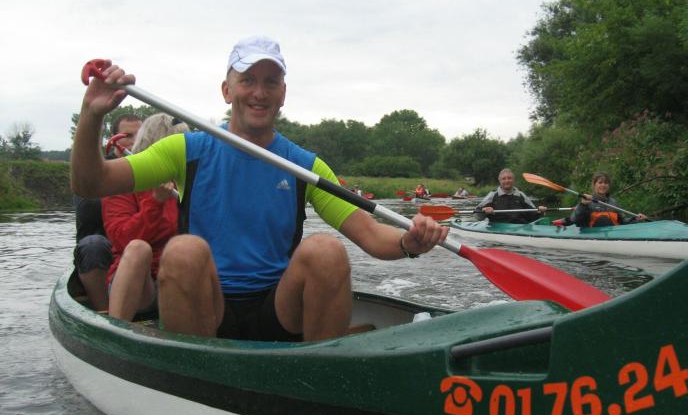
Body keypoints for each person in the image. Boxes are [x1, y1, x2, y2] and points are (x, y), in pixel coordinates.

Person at [71, 35, 448, 342]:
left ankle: (320, 372)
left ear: (283, 93)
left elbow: (371, 235)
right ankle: (194, 371)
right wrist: (92, 114)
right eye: (248, 80)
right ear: (227, 90)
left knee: (326, 250)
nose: (259, 92)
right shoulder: (184, 150)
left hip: (278, 307)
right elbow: (90, 182)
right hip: (208, 306)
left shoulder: (303, 165)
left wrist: (409, 242)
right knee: (184, 250)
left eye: (271, 82)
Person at [103, 114, 188, 321]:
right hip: (142, 286)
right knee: (138, 248)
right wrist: (155, 203)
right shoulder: (124, 183)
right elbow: (122, 239)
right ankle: (116, 330)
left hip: (180, 280)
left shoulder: (192, 180)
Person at [69, 113, 143, 310]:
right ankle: (104, 312)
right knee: (93, 245)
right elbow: (88, 211)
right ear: (114, 138)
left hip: (140, 244)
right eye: (128, 136)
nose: (135, 141)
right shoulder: (97, 171)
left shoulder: (152, 166)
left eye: (140, 135)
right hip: (102, 249)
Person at [572, 171, 646, 227]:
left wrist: (635, 219)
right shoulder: (586, 201)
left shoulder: (613, 202)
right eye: (600, 182)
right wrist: (582, 205)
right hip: (594, 237)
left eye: (606, 183)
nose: (603, 185)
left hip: (613, 236)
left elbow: (623, 221)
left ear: (609, 185)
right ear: (594, 185)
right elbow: (575, 220)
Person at [474, 169, 547, 224]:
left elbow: (532, 215)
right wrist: (484, 211)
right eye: (504, 179)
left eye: (509, 178)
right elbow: (477, 215)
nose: (507, 181)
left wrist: (539, 212)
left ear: (513, 180)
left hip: (520, 228)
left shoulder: (521, 195)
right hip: (499, 229)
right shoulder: (492, 195)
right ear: (499, 181)